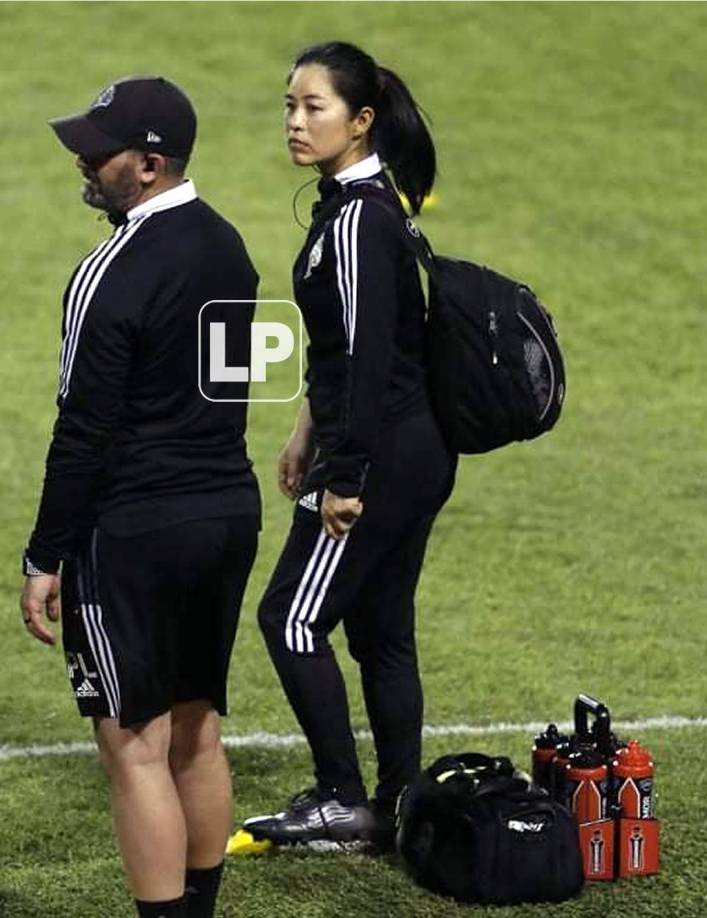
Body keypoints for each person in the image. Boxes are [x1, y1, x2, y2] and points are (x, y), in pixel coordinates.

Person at [19, 76, 261, 918]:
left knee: (134, 748)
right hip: (225, 512)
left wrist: (45, 553)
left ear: (150, 164)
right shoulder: (229, 247)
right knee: (196, 728)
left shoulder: (109, 270)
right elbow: (231, 385)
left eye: (100, 153)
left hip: (135, 529)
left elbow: (83, 431)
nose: (83, 163)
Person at [243, 42, 455, 849]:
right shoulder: (357, 205)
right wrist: (305, 427)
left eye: (314, 107)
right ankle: (398, 806)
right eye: (288, 106)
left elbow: (367, 357)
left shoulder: (360, 219)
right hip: (411, 446)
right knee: (381, 631)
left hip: (381, 454)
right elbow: (347, 346)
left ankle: (341, 796)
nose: (295, 122)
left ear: (360, 120)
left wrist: (346, 476)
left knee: (290, 620)